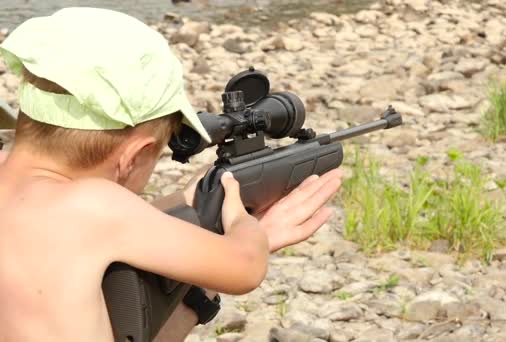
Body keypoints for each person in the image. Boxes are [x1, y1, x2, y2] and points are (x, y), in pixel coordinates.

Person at [0, 7, 342, 342]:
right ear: (134, 156)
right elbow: (248, 266)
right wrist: (242, 221)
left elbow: (110, 225)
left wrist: (189, 201)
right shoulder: (97, 207)